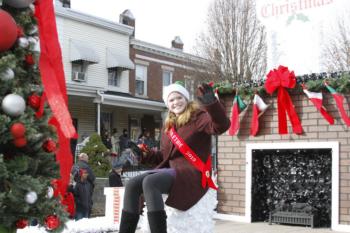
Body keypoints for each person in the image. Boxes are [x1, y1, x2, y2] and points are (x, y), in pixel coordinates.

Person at [118, 82, 230, 233]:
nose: (176, 102)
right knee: (132, 184)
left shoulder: (198, 117)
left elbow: (220, 126)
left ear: (186, 98)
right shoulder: (168, 126)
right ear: (167, 104)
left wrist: (212, 104)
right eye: (171, 100)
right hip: (171, 171)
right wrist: (142, 153)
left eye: (179, 98)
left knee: (151, 182)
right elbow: (163, 157)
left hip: (192, 173)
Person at [71, 153, 95, 217]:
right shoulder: (86, 166)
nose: (88, 159)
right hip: (85, 188)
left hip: (76, 188)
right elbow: (92, 177)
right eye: (87, 158)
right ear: (83, 158)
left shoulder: (74, 166)